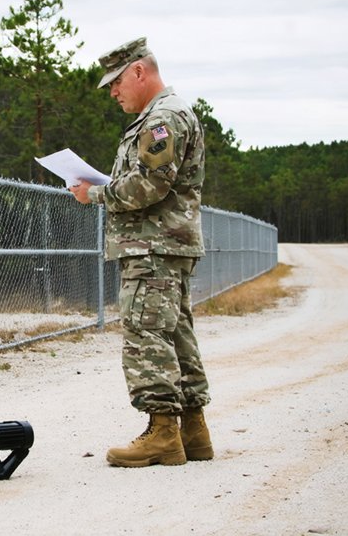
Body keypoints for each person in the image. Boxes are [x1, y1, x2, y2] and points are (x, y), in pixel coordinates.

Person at [70, 36, 213, 467]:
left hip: (153, 246)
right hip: (167, 245)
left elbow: (150, 185)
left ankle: (162, 435)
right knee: (173, 331)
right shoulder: (165, 115)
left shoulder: (162, 119)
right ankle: (193, 432)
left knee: (145, 333)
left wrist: (93, 194)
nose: (113, 92)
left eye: (116, 82)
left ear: (139, 71)